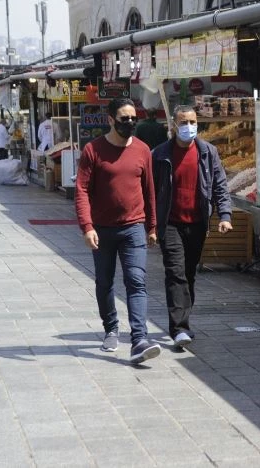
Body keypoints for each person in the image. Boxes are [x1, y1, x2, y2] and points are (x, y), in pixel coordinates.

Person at [75, 97, 161, 365]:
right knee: (105, 282)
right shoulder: (93, 150)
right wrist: (87, 226)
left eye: (133, 118)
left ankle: (139, 340)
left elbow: (149, 190)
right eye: (124, 118)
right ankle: (111, 328)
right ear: (111, 119)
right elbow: (81, 190)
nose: (130, 122)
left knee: (136, 281)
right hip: (102, 230)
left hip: (134, 227)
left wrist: (152, 226)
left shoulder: (143, 150)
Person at [152, 105, 232, 350]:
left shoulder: (208, 152)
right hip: (171, 223)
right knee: (175, 273)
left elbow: (219, 185)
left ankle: (184, 319)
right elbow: (150, 191)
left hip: (197, 223)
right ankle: (179, 329)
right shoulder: (160, 154)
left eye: (193, 121)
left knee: (188, 274)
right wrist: (151, 224)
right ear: (174, 125)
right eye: (184, 122)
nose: (189, 126)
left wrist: (225, 215)